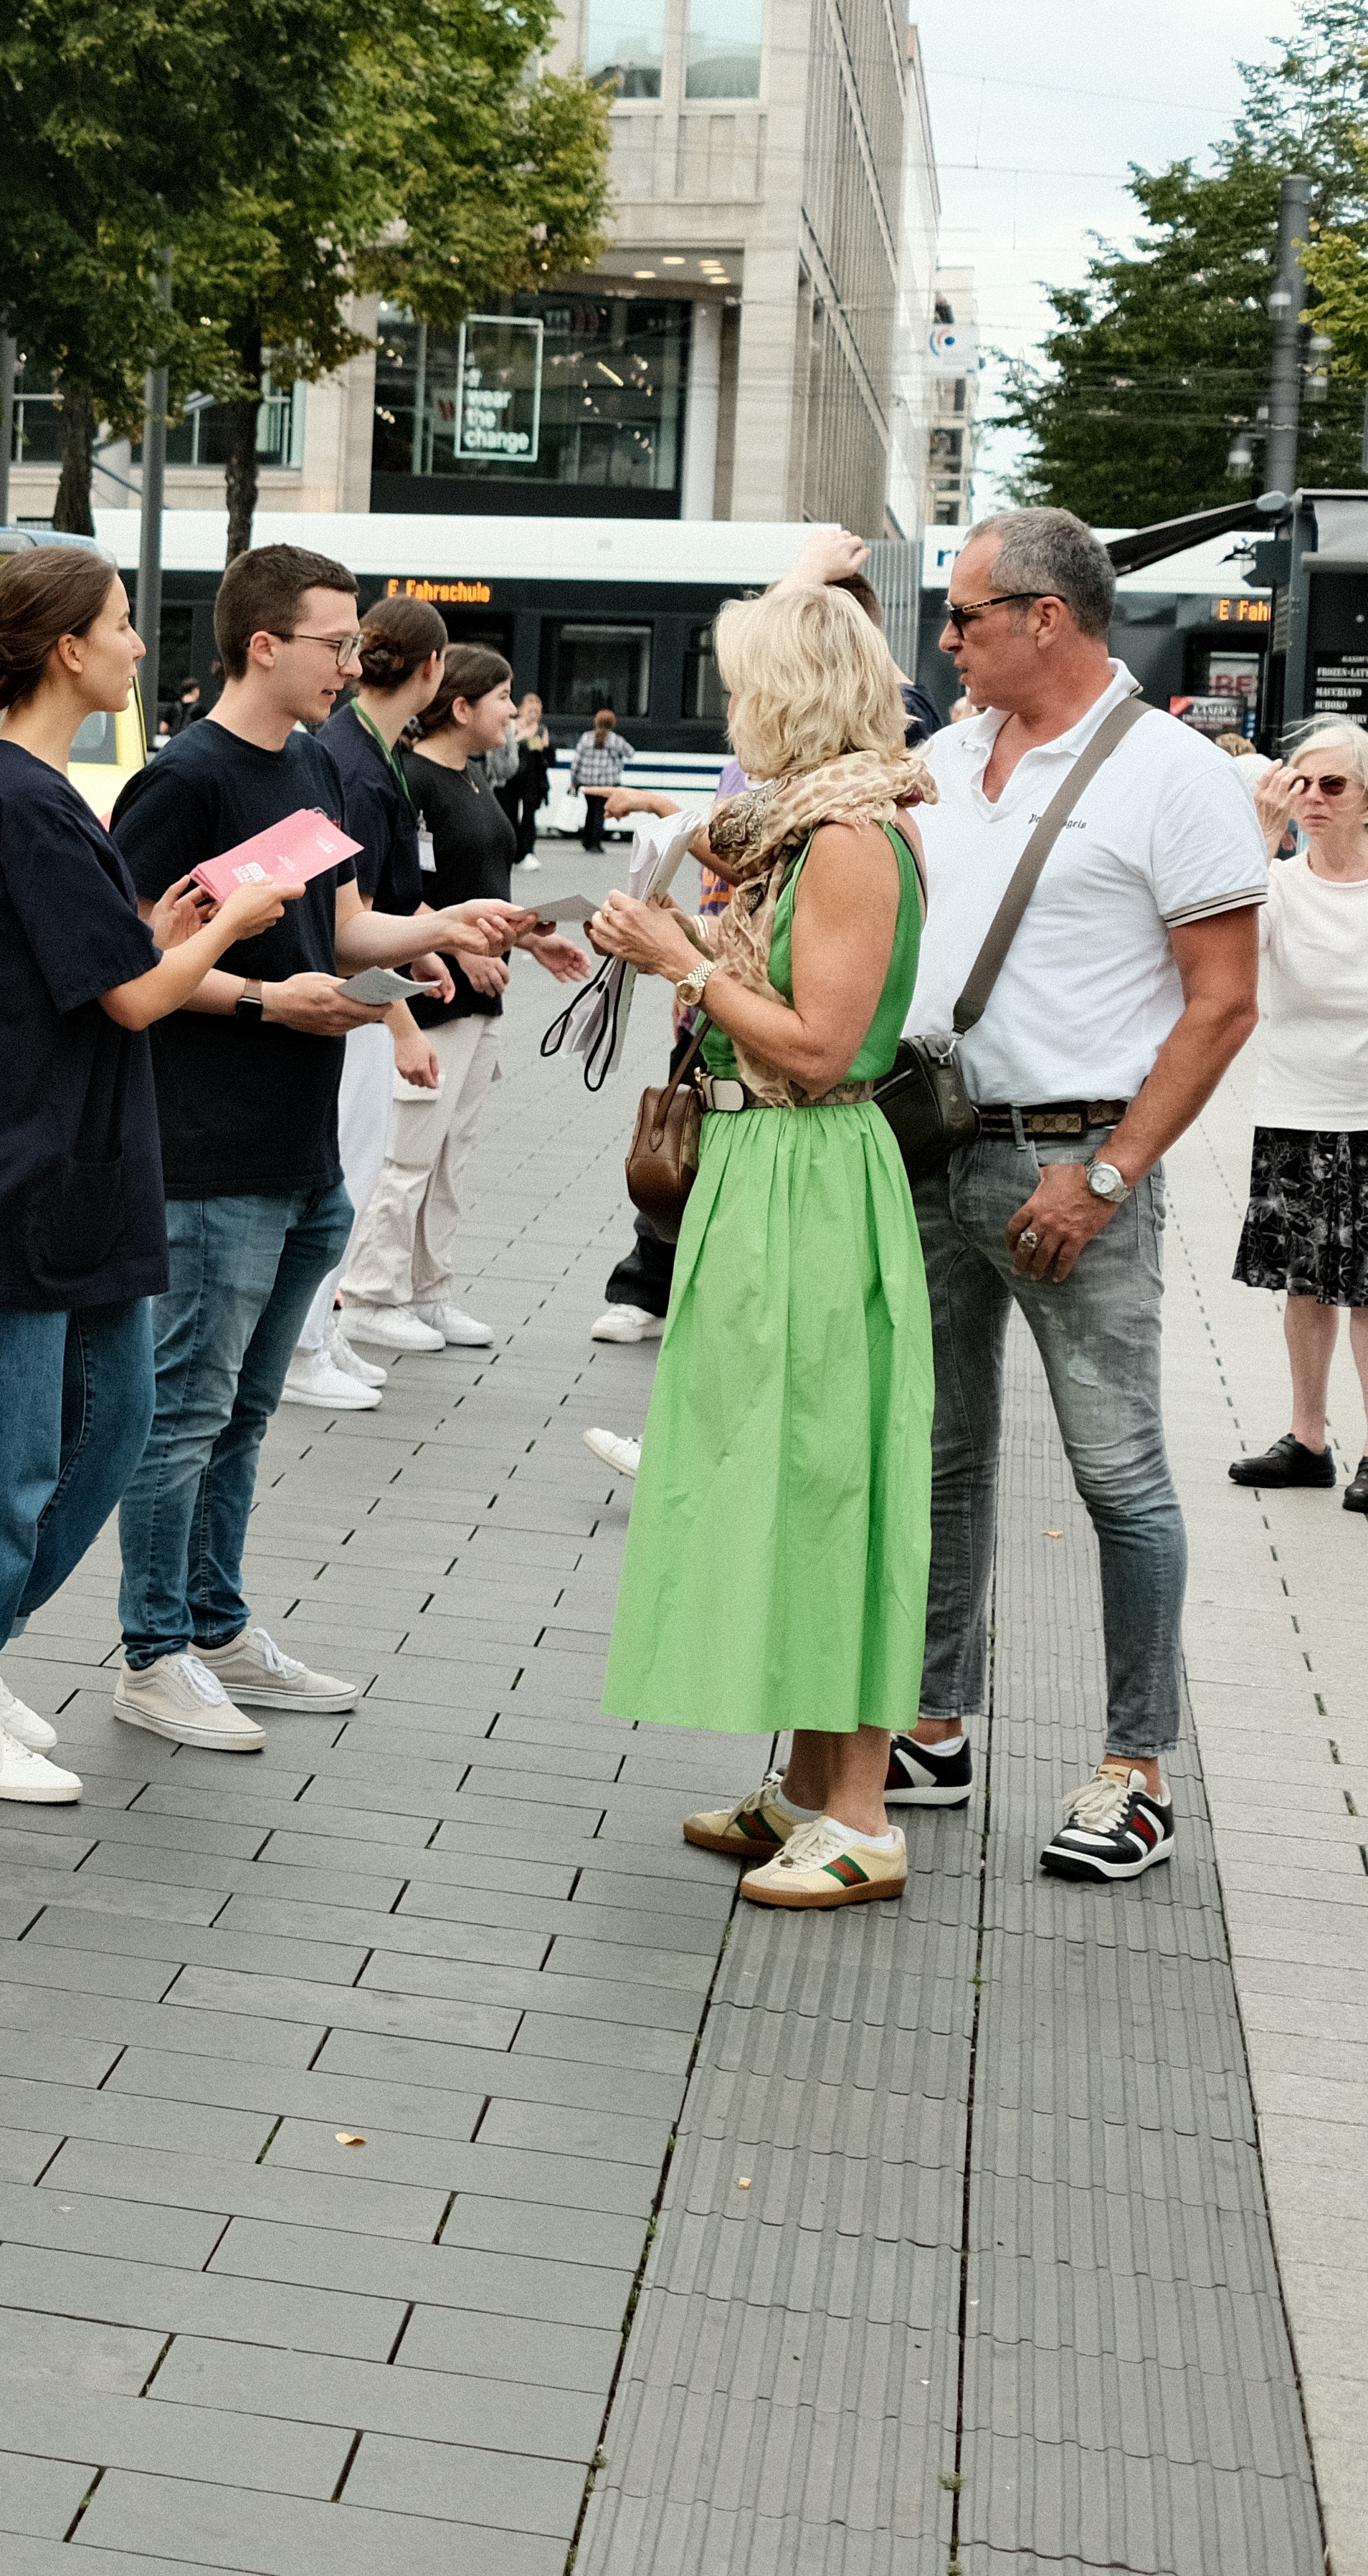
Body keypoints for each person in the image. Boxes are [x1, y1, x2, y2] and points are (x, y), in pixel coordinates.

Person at [0, 546, 303, 1803]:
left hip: (71, 1171)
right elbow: (127, 1002)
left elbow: (96, 967)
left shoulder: (36, 791)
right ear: (69, 648)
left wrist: (166, 927)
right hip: (18, 1177)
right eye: (122, 626)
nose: (137, 646)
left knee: (106, 1429)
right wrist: (226, 927)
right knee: (2, 1449)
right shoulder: (20, 793)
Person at [891, 507, 1268, 1881]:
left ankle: (1135, 1769)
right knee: (939, 1456)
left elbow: (1222, 1008)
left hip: (1073, 1161)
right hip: (930, 1142)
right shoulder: (946, 755)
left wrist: (1108, 1177)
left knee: (1118, 1473)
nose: (946, 638)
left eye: (965, 614)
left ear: (1046, 615)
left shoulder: (1174, 775)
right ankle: (935, 1725)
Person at [105, 545, 523, 1752]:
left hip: (296, 1155)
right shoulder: (182, 780)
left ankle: (219, 1627)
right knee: (184, 1416)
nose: (358, 659)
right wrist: (260, 1003)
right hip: (206, 1152)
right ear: (264, 644)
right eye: (337, 641)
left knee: (239, 1416)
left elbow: (334, 930)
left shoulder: (308, 767)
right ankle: (153, 1653)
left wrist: (442, 926)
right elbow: (128, 960)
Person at [588, 584, 938, 1908]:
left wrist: (682, 962)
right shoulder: (801, 831)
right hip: (767, 1171)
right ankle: (808, 1787)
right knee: (789, 1467)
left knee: (826, 1476)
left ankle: (860, 1813)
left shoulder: (849, 836)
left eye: (742, 686)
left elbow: (824, 1046)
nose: (730, 711)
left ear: (788, 692)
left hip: (805, 1168)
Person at [343, 646, 586, 1351]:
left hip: (482, 996)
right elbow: (396, 892)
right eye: (504, 698)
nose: (515, 710)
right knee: (410, 1148)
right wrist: (454, 949)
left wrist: (532, 938)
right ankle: (369, 1292)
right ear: (460, 706)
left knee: (453, 1151)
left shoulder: (474, 777)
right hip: (431, 992)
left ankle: (428, 1288)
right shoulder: (411, 779)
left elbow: (477, 884)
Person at [290, 596, 451, 1406]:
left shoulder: (365, 753)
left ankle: (322, 1331)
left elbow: (372, 900)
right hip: (346, 999)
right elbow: (343, 918)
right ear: (431, 669)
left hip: (356, 993)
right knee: (343, 1173)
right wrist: (404, 1020)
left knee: (351, 1170)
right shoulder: (351, 761)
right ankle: (303, 1342)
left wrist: (425, 945)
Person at [1232, 720, 1368, 1501]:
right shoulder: (1280, 884)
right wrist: (1260, 836)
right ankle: (1308, 1438)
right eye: (1302, 783)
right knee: (1307, 1286)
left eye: (1333, 785)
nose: (1313, 799)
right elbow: (1235, 950)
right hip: (1297, 1105)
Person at [572, 706, 637, 850]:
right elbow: (631, 753)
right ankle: (595, 843)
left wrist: (574, 781)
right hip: (606, 784)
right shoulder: (616, 740)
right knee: (600, 813)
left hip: (587, 782)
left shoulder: (586, 737)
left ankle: (587, 840)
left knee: (590, 811)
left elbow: (577, 761)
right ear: (612, 724)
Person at [508, 692, 556, 861]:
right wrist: (522, 738)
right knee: (510, 815)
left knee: (529, 816)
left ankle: (527, 850)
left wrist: (542, 746)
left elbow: (550, 759)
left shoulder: (542, 730)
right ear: (521, 710)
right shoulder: (511, 726)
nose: (533, 715)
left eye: (537, 712)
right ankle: (512, 850)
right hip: (512, 779)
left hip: (533, 780)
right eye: (530, 711)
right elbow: (506, 747)